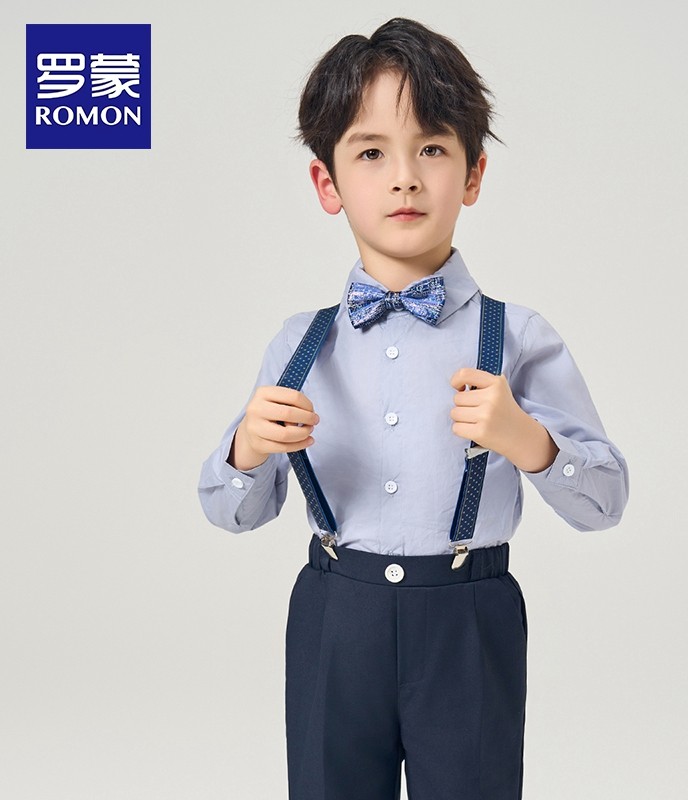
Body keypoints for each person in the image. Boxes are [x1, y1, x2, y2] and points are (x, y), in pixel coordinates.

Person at [198, 17, 629, 800]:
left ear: (473, 174)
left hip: (469, 615)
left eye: (431, 148)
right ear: (327, 184)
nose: (404, 178)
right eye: (371, 153)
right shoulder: (300, 345)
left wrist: (528, 441)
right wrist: (247, 452)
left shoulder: (517, 336)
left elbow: (604, 502)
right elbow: (231, 512)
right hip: (336, 613)